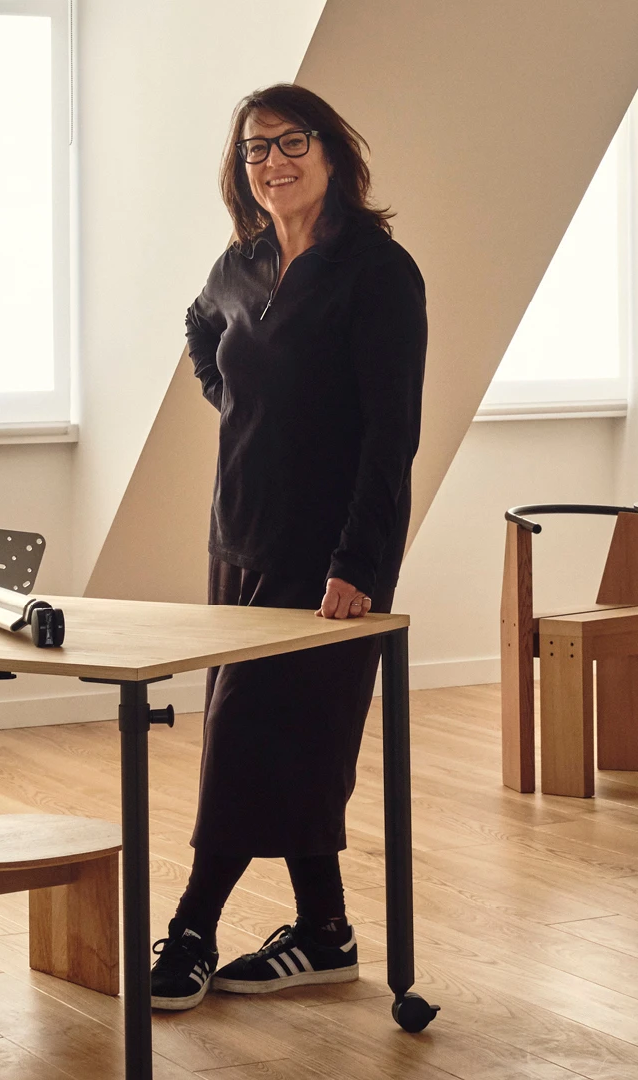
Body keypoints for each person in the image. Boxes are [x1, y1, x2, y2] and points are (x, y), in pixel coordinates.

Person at [150, 84, 426, 1011]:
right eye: (253, 150)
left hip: (331, 552)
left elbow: (394, 437)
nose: (271, 161)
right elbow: (202, 331)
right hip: (241, 537)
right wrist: (236, 402)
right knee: (288, 738)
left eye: (289, 141)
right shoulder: (243, 264)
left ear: (333, 152)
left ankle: (190, 931)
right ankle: (325, 932)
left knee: (245, 737)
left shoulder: (379, 274)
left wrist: (359, 560)